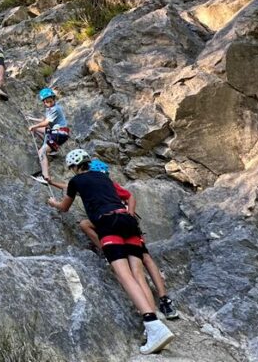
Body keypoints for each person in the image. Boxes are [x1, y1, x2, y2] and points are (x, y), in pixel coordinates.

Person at [46, 149, 175, 355]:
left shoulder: (76, 181)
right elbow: (124, 196)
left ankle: (153, 326)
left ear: (74, 167)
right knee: (137, 274)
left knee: (123, 275)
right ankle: (154, 325)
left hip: (108, 223)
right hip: (128, 221)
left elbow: (64, 207)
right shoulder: (104, 178)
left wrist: (53, 202)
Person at [78, 160, 179, 320]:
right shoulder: (104, 183)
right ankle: (162, 302)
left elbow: (129, 197)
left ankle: (161, 302)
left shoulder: (106, 184)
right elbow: (129, 197)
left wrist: (130, 214)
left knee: (143, 261)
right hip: (124, 225)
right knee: (143, 261)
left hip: (121, 224)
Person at [28, 88, 69, 185]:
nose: (49, 103)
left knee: (41, 151)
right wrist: (31, 119)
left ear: (54, 99)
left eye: (50, 101)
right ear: (44, 102)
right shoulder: (50, 109)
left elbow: (46, 122)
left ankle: (45, 176)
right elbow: (44, 119)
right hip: (56, 133)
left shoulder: (55, 108)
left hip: (58, 133)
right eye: (46, 102)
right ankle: (53, 149)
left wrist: (34, 125)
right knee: (36, 130)